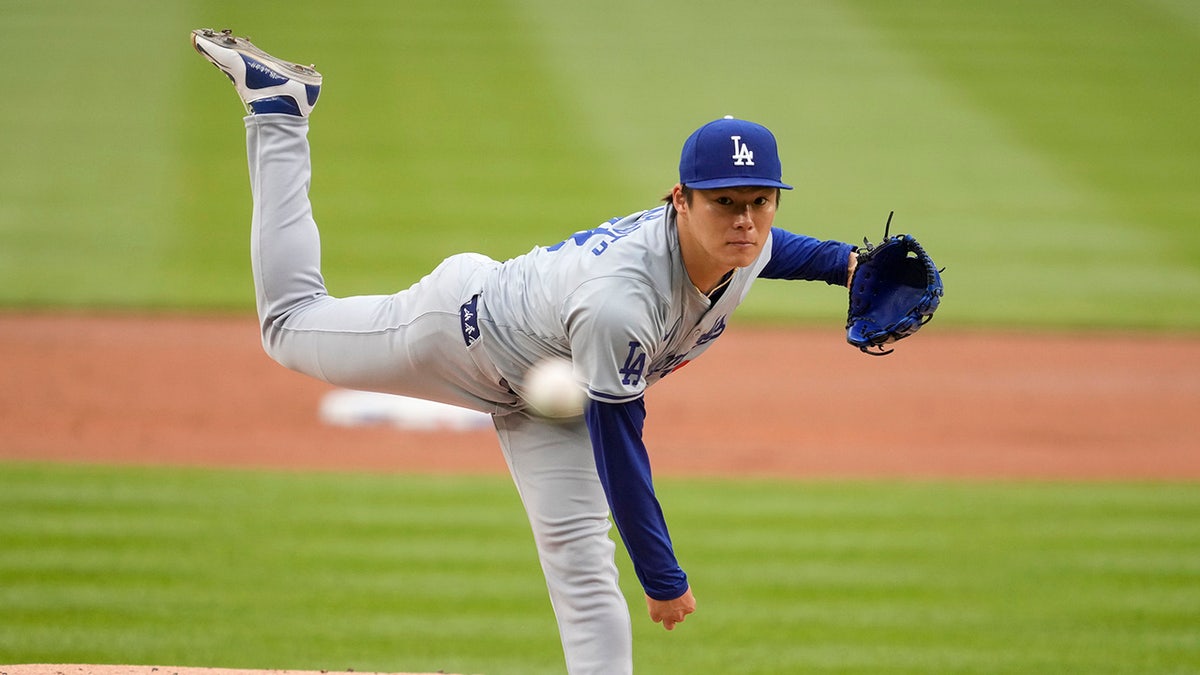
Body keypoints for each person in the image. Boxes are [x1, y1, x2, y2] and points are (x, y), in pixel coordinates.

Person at [191, 28, 858, 675]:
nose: (745, 220)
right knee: (288, 325)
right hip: (458, 333)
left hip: (549, 380)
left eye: (759, 202)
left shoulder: (741, 240)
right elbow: (620, 444)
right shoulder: (619, 305)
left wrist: (850, 265)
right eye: (725, 203)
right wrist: (663, 577)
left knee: (581, 563)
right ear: (681, 201)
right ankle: (279, 113)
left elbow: (777, 248)